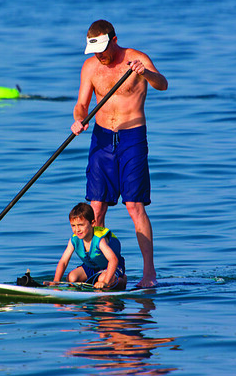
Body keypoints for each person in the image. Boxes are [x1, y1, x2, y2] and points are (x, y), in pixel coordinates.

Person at [71, 20, 168, 288]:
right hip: (101, 138)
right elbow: (81, 104)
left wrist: (146, 73)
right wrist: (79, 119)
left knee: (134, 206)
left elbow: (163, 84)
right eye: (95, 51)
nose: (100, 56)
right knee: (96, 208)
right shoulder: (91, 67)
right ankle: (98, 270)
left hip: (132, 137)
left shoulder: (137, 58)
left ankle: (149, 274)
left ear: (114, 40)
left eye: (103, 49)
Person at [46, 202, 127, 291]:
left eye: (81, 225)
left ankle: (121, 280)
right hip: (91, 267)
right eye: (73, 225)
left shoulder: (99, 240)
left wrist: (106, 282)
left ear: (92, 223)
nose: (77, 230)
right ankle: (92, 283)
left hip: (111, 267)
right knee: (71, 278)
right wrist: (56, 281)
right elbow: (63, 261)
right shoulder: (74, 240)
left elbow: (113, 260)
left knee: (102, 280)